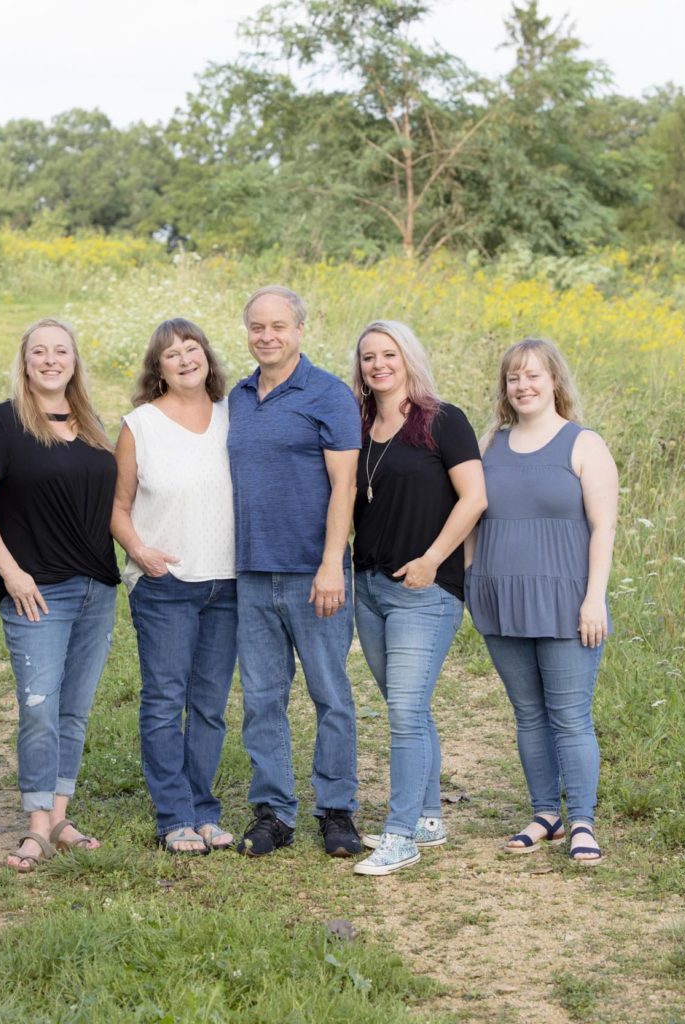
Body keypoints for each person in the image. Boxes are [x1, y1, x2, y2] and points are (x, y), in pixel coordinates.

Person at [0, 318, 119, 872]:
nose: (51, 360)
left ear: (75, 361)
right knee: (40, 709)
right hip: (37, 593)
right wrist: (11, 572)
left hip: (97, 587)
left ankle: (60, 818)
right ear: (25, 362)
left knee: (73, 711)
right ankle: (34, 828)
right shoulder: (1, 424)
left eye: (61, 351)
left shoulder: (93, 425)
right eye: (39, 352)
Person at [465, 338, 618, 865]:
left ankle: (581, 820)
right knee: (528, 714)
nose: (523, 386)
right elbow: (470, 513)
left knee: (570, 716)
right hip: (500, 598)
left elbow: (603, 528)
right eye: (513, 378)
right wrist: (469, 574)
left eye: (533, 376)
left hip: (566, 600)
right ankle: (544, 812)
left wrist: (594, 599)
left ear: (554, 381)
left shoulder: (583, 444)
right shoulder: (490, 443)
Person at [226, 285, 363, 858]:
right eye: (258, 327)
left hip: (315, 573)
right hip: (252, 572)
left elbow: (345, 486)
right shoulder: (234, 396)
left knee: (330, 693)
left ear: (300, 330)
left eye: (278, 326)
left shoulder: (329, 395)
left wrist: (331, 563)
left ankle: (336, 810)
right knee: (261, 698)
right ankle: (274, 811)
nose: (267, 336)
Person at [348, 321, 486, 876]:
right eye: (368, 358)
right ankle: (429, 816)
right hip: (369, 587)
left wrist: (432, 559)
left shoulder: (442, 420)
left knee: (404, 712)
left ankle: (400, 833)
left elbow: (474, 497)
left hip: (424, 591)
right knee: (410, 708)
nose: (378, 365)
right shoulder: (357, 425)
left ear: (408, 358)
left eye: (389, 354)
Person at [111, 319, 238, 856]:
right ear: (157, 368)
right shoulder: (139, 426)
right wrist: (140, 552)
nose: (185, 359)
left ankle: (203, 810)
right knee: (165, 700)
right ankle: (173, 816)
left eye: (192, 349)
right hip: (165, 584)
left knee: (209, 704)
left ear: (206, 356)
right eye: (171, 354)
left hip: (228, 584)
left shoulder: (236, 417)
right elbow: (117, 509)